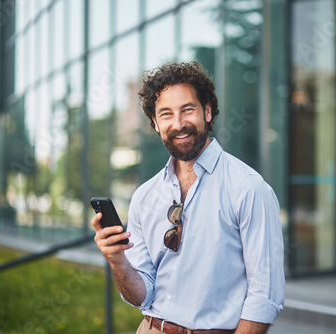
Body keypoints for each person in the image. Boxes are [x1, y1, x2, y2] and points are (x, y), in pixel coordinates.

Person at [92, 62, 285, 334]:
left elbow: (265, 295)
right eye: (166, 114)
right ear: (155, 124)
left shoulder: (248, 189)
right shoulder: (144, 196)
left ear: (207, 111)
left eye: (188, 109)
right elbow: (141, 295)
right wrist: (117, 261)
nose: (179, 123)